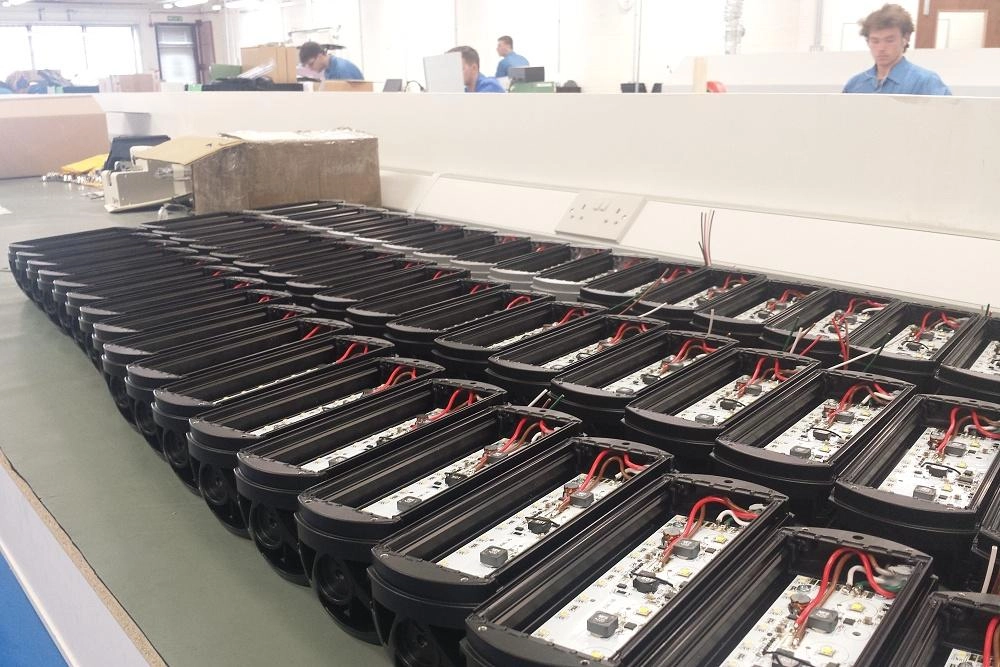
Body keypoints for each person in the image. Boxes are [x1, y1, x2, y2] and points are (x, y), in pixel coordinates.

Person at [843, 4, 950, 95]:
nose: (881, 48)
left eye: (889, 40)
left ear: (905, 38)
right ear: (868, 41)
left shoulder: (926, 82)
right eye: (875, 41)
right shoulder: (855, 85)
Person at [298, 41, 364, 81]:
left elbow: (350, 98)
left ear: (320, 56)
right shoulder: (328, 70)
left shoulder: (341, 70)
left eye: (311, 64)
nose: (310, 69)